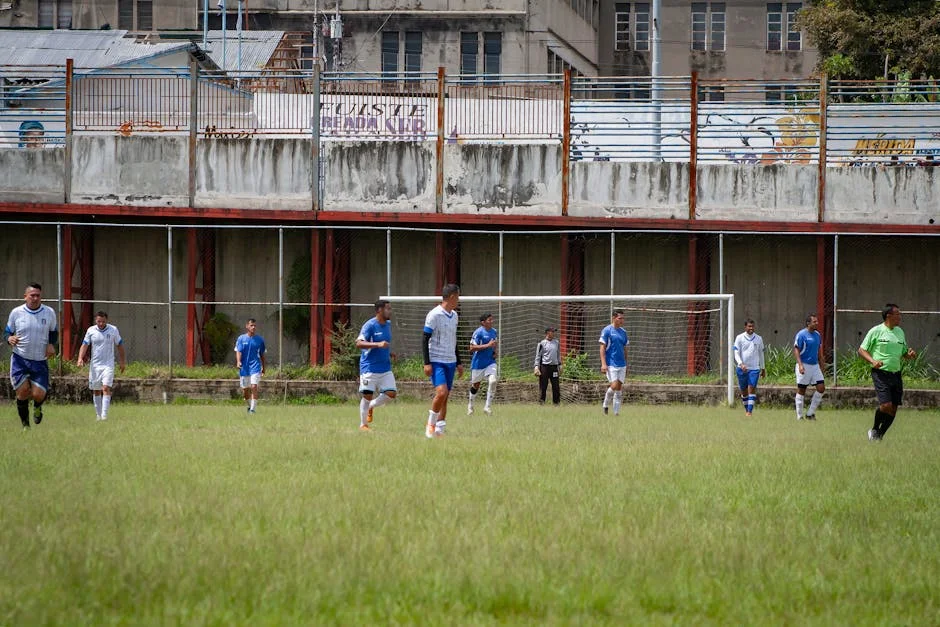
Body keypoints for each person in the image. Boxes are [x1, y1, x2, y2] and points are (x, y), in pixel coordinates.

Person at [858, 303, 917, 442]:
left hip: (896, 374)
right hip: (881, 373)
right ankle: (874, 429)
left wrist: (909, 355)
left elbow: (904, 353)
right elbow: (861, 350)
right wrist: (873, 361)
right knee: (886, 406)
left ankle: (879, 435)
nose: (900, 317)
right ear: (888, 316)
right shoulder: (876, 331)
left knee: (894, 408)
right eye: (897, 314)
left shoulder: (900, 332)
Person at [5, 283, 58, 430]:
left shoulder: (49, 312)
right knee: (22, 392)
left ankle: (37, 407)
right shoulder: (16, 312)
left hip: (40, 360)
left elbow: (54, 332)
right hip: (20, 359)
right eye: (32, 295)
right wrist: (9, 338)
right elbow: (7, 332)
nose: (35, 298)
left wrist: (51, 344)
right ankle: (25, 426)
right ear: (25, 296)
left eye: (38, 296)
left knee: (38, 394)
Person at [422, 284, 463, 438]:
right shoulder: (434, 315)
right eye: (458, 297)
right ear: (452, 297)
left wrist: (458, 362)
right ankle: (430, 425)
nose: (459, 300)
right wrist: (427, 363)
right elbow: (424, 338)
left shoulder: (455, 316)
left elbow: (453, 339)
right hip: (436, 360)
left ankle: (439, 429)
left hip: (450, 360)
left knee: (445, 397)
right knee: (441, 392)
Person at [355, 299, 397, 431]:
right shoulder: (370, 325)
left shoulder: (388, 324)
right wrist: (378, 345)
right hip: (369, 367)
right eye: (388, 309)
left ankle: (371, 406)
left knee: (391, 393)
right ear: (379, 310)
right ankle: (363, 425)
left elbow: (384, 343)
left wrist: (389, 353)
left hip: (385, 367)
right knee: (367, 395)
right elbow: (359, 343)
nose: (390, 311)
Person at [77, 311, 126, 421]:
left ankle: (104, 416)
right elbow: (85, 345)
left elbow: (120, 345)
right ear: (96, 320)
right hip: (95, 365)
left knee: (106, 387)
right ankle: (98, 415)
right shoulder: (91, 330)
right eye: (99, 321)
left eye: (103, 321)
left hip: (108, 364)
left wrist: (122, 361)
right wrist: (80, 358)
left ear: (106, 320)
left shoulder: (113, 330)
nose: (101, 324)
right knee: (96, 390)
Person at [793, 313, 825, 421]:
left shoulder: (817, 335)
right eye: (814, 321)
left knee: (821, 388)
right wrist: (800, 365)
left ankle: (810, 413)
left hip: (815, 366)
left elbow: (819, 351)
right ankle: (799, 416)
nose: (817, 323)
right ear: (808, 323)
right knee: (802, 390)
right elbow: (796, 349)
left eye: (817, 321)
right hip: (804, 365)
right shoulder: (801, 334)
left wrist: (822, 364)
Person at [598, 309, 629, 415]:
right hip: (611, 363)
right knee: (614, 385)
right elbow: (602, 347)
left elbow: (625, 349)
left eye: (623, 318)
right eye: (620, 318)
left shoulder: (623, 332)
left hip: (622, 364)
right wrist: (603, 364)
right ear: (613, 318)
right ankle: (605, 404)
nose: (622, 320)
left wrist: (626, 364)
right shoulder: (607, 330)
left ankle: (616, 413)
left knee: (619, 389)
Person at [733, 319, 765, 417]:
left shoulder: (759, 338)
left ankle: (749, 412)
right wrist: (741, 364)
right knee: (744, 391)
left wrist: (763, 368)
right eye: (749, 326)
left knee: (751, 388)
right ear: (745, 327)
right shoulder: (739, 338)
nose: (751, 328)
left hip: (754, 369)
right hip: (742, 369)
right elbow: (736, 353)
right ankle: (747, 409)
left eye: (752, 326)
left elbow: (761, 354)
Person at [468, 313, 498, 415]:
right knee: (476, 385)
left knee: (493, 381)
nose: (492, 321)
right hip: (478, 363)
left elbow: (494, 343)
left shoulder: (494, 331)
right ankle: (470, 406)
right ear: (483, 322)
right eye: (489, 320)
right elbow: (471, 348)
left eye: (492, 319)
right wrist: (487, 345)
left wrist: (495, 352)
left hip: (490, 362)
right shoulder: (478, 332)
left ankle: (487, 407)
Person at [235, 318, 266, 414]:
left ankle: (252, 410)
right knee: (245, 391)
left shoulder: (260, 340)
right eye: (251, 325)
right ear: (247, 326)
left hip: (255, 367)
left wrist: (263, 367)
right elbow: (238, 351)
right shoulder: (241, 338)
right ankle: (249, 406)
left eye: (255, 326)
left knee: (254, 386)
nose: (253, 327)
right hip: (244, 368)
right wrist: (238, 361)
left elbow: (262, 354)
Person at [533, 327, 561, 405]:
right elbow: (538, 356)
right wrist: (536, 367)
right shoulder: (541, 343)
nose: (553, 333)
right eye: (552, 331)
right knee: (543, 386)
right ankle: (541, 403)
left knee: (556, 386)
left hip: (554, 367)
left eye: (553, 331)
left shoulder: (556, 342)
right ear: (547, 333)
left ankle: (556, 403)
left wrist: (560, 365)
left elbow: (558, 354)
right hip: (544, 367)